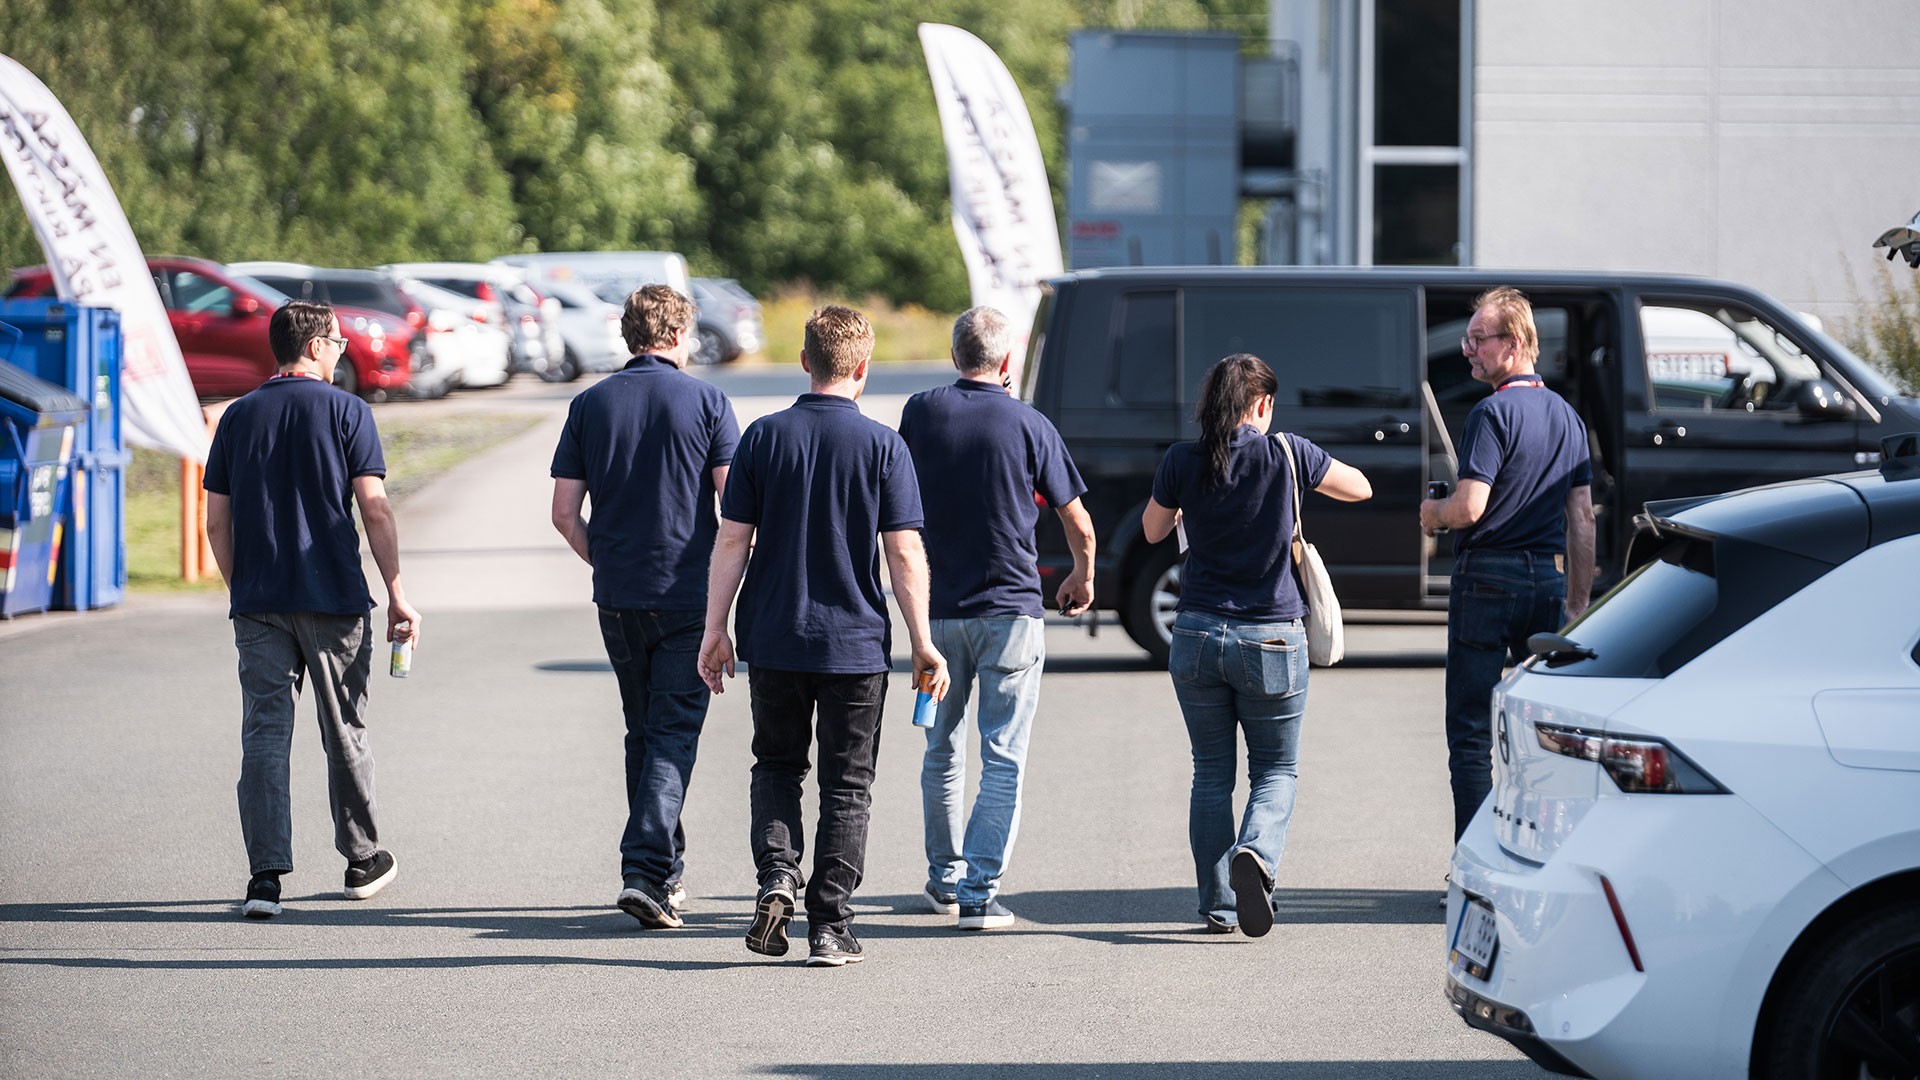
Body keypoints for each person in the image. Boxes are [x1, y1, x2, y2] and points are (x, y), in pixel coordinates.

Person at [698, 306, 950, 967]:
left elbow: (732, 539)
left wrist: (713, 629)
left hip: (773, 636)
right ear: (862, 367)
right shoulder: (883, 446)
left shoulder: (761, 438)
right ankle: (830, 925)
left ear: (805, 361)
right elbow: (902, 552)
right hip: (855, 644)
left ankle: (778, 875)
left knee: (777, 766)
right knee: (847, 784)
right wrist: (923, 640)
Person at [1141, 354, 1372, 937]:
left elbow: (1152, 530)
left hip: (1194, 634)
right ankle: (1259, 855)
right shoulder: (1289, 454)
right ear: (1263, 404)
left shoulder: (1182, 459)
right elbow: (1362, 489)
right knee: (1276, 769)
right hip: (1271, 636)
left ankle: (1218, 905)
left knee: (1211, 774)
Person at [204, 300, 419, 920]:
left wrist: (239, 586)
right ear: (319, 345)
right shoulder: (348, 412)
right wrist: (399, 589)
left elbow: (217, 521)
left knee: (265, 734)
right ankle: (361, 860)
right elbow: (374, 508)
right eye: (340, 342)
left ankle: (264, 878)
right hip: (333, 598)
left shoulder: (239, 419)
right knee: (343, 726)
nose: (345, 351)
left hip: (259, 602)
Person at [897, 306, 1095, 931]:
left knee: (941, 747)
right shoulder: (1029, 423)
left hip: (938, 613)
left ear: (956, 355)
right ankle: (981, 895)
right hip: (1011, 611)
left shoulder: (920, 413)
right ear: (1006, 361)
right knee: (1002, 754)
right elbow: (1078, 522)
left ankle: (944, 881)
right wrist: (1080, 575)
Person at [550, 284, 740, 929]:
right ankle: (644, 870)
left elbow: (563, 514)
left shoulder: (590, 403)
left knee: (645, 732)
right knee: (673, 733)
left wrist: (605, 560)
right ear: (681, 334)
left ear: (629, 335)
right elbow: (734, 507)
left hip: (620, 595)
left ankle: (664, 872)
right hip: (689, 594)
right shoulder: (708, 402)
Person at [1421, 286, 1595, 844]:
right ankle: (1541, 850)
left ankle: (1477, 863)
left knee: (1471, 733)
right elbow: (1583, 520)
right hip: (1547, 580)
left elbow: (1470, 506)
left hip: (1486, 580)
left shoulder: (1491, 413)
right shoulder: (1568, 418)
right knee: (1542, 733)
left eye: (1478, 339)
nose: (1467, 350)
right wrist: (1576, 604)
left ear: (1515, 343)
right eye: (1468, 339)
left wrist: (1433, 513)